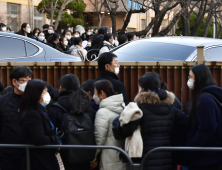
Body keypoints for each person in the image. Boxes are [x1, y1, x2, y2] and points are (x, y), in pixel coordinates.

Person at [113, 73, 189, 170]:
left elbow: (126, 131)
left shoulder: (139, 108)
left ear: (142, 89)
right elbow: (186, 121)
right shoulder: (171, 108)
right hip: (166, 154)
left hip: (146, 156)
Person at [49, 74, 95, 170]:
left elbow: (52, 131)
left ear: (62, 88)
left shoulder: (56, 107)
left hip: (65, 154)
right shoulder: (88, 104)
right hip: (87, 153)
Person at [186, 64, 222, 170]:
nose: (189, 80)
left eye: (191, 77)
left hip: (205, 157)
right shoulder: (214, 95)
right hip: (214, 155)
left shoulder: (205, 99)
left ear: (199, 78)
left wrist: (192, 146)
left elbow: (207, 127)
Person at [20, 79, 60, 170]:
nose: (47, 94)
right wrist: (54, 141)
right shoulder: (32, 113)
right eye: (44, 91)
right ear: (35, 94)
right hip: (38, 160)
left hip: (44, 158)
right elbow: (39, 138)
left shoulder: (42, 109)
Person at [0, 66, 32, 170]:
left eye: (29, 81)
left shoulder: (34, 101)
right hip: (6, 153)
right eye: (23, 81)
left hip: (29, 152)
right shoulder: (3, 101)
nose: (27, 84)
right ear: (14, 82)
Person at [93, 80, 126, 170]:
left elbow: (99, 139)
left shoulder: (102, 112)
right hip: (122, 157)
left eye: (95, 92)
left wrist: (94, 158)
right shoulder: (123, 108)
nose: (94, 96)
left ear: (102, 93)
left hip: (108, 158)